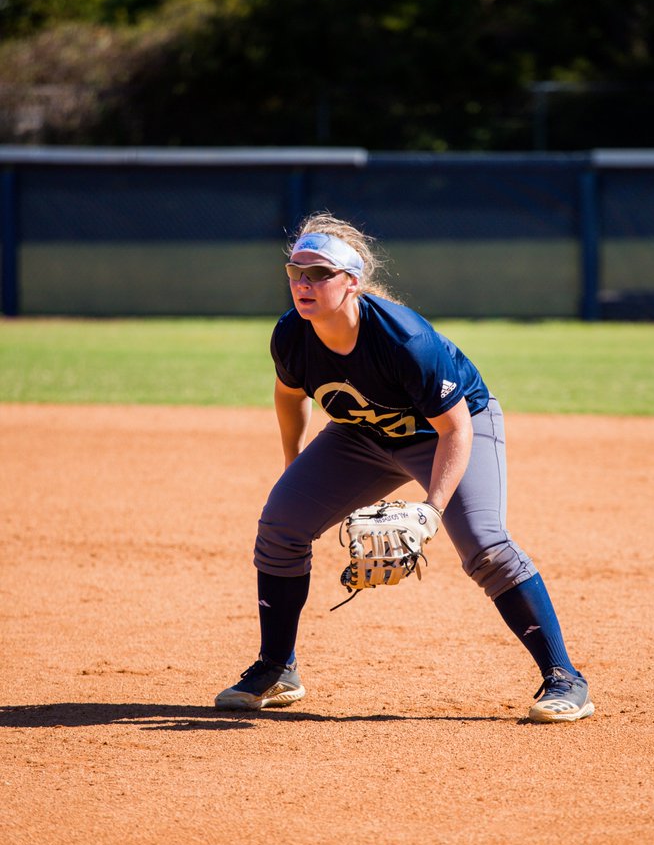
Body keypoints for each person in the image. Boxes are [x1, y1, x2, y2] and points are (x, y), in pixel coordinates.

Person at [215, 213, 594, 723]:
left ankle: (564, 678)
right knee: (281, 525)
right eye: (295, 272)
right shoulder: (291, 334)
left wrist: (431, 510)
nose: (304, 284)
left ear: (352, 282)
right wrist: (293, 465)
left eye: (319, 274)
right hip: (359, 436)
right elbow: (288, 395)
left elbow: (456, 429)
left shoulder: (404, 340)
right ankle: (277, 667)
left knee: (484, 546)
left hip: (446, 431)